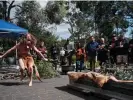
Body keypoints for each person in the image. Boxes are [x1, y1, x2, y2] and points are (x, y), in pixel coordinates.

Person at [67, 72, 133, 88]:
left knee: (118, 81)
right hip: (102, 77)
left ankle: (131, 81)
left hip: (107, 78)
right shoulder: (88, 75)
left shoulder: (99, 79)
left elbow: (100, 85)